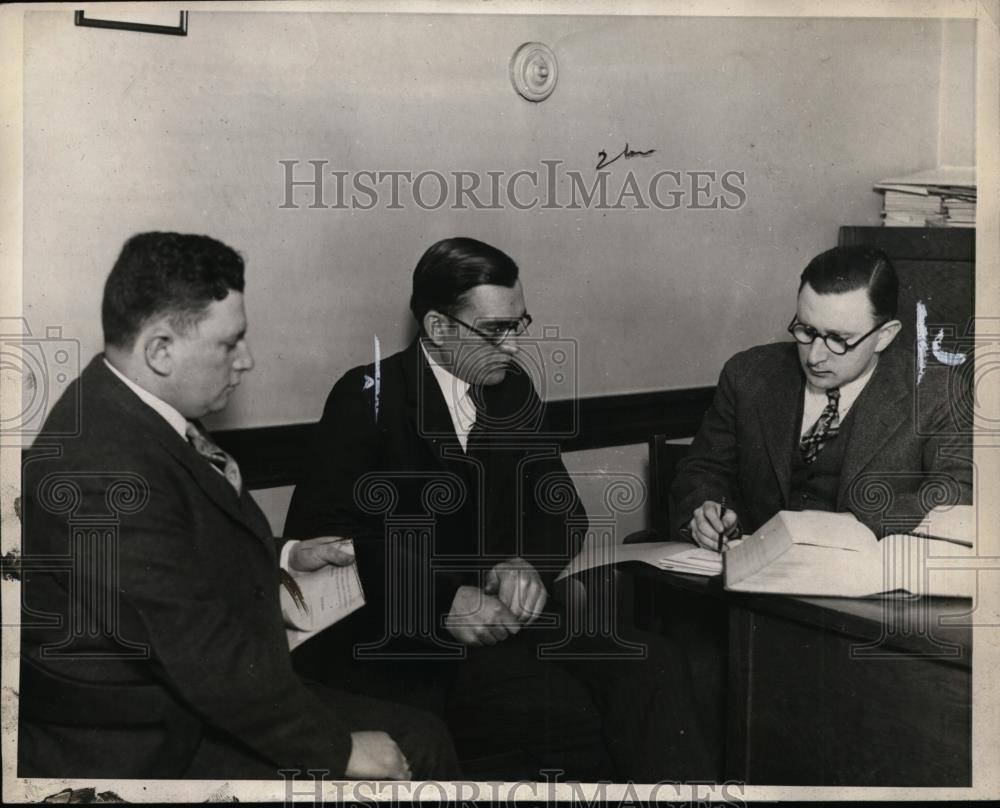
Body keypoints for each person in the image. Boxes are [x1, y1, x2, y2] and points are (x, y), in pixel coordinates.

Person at [18, 232, 460, 780]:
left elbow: (174, 547)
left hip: (184, 703)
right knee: (416, 745)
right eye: (231, 344)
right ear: (160, 350)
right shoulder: (102, 469)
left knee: (421, 728)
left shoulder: (130, 411)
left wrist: (288, 556)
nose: (247, 361)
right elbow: (200, 653)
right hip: (144, 747)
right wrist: (338, 750)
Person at [285, 236, 713, 782]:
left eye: (519, 324)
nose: (512, 347)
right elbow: (320, 540)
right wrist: (443, 599)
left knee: (655, 666)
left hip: (510, 625)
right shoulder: (365, 395)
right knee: (564, 713)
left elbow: (562, 512)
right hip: (407, 644)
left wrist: (524, 563)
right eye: (494, 330)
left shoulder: (510, 392)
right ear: (438, 328)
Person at [672, 244, 973, 550]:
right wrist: (706, 511)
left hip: (857, 581)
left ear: (885, 335)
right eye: (806, 330)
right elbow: (703, 469)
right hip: (751, 576)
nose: (815, 356)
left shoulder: (936, 391)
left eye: (838, 339)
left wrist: (855, 524)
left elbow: (958, 491)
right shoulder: (748, 374)